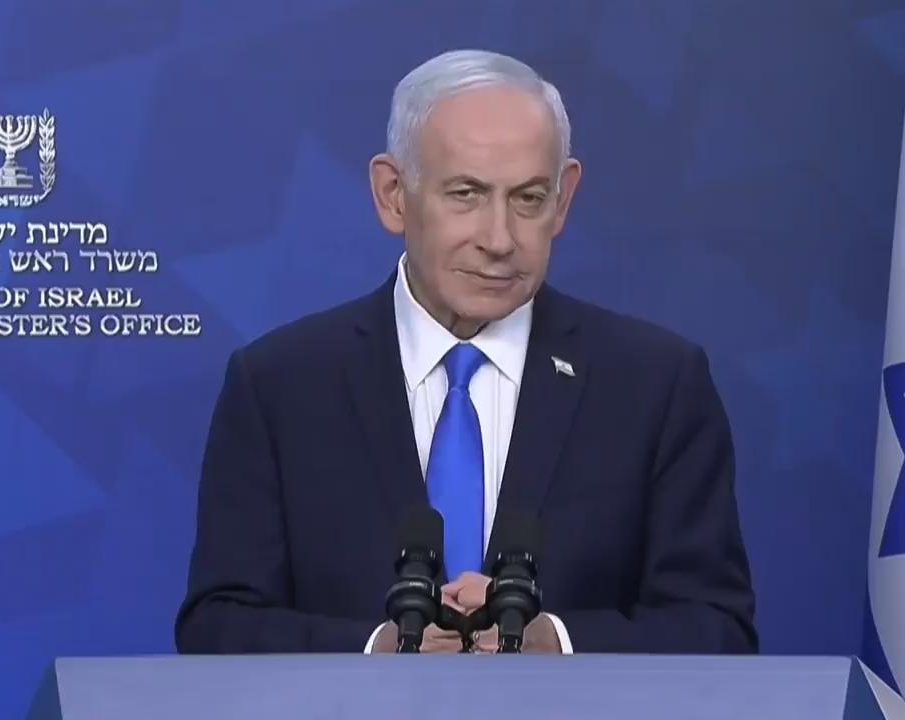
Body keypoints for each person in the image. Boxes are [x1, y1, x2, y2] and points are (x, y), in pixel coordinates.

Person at [175, 49, 757, 654]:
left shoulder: (654, 386)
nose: (499, 239)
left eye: (529, 199)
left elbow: (717, 629)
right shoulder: (280, 386)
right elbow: (219, 626)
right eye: (466, 194)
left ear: (563, 199)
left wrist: (558, 644)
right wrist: (374, 650)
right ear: (393, 194)